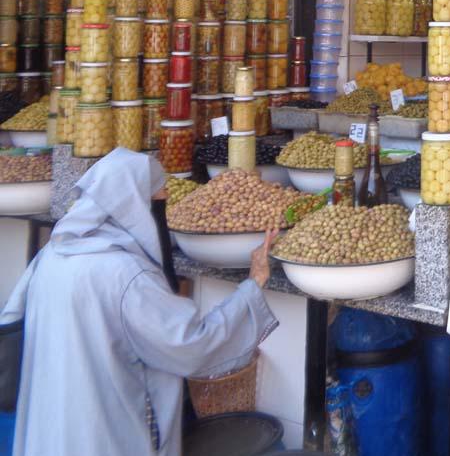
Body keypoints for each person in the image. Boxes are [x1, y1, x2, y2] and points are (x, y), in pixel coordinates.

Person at [0, 149, 279, 456]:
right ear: (136, 207)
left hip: (45, 435)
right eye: (159, 202)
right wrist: (253, 285)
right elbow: (191, 345)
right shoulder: (127, 275)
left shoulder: (50, 255)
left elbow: (11, 321)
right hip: (102, 438)